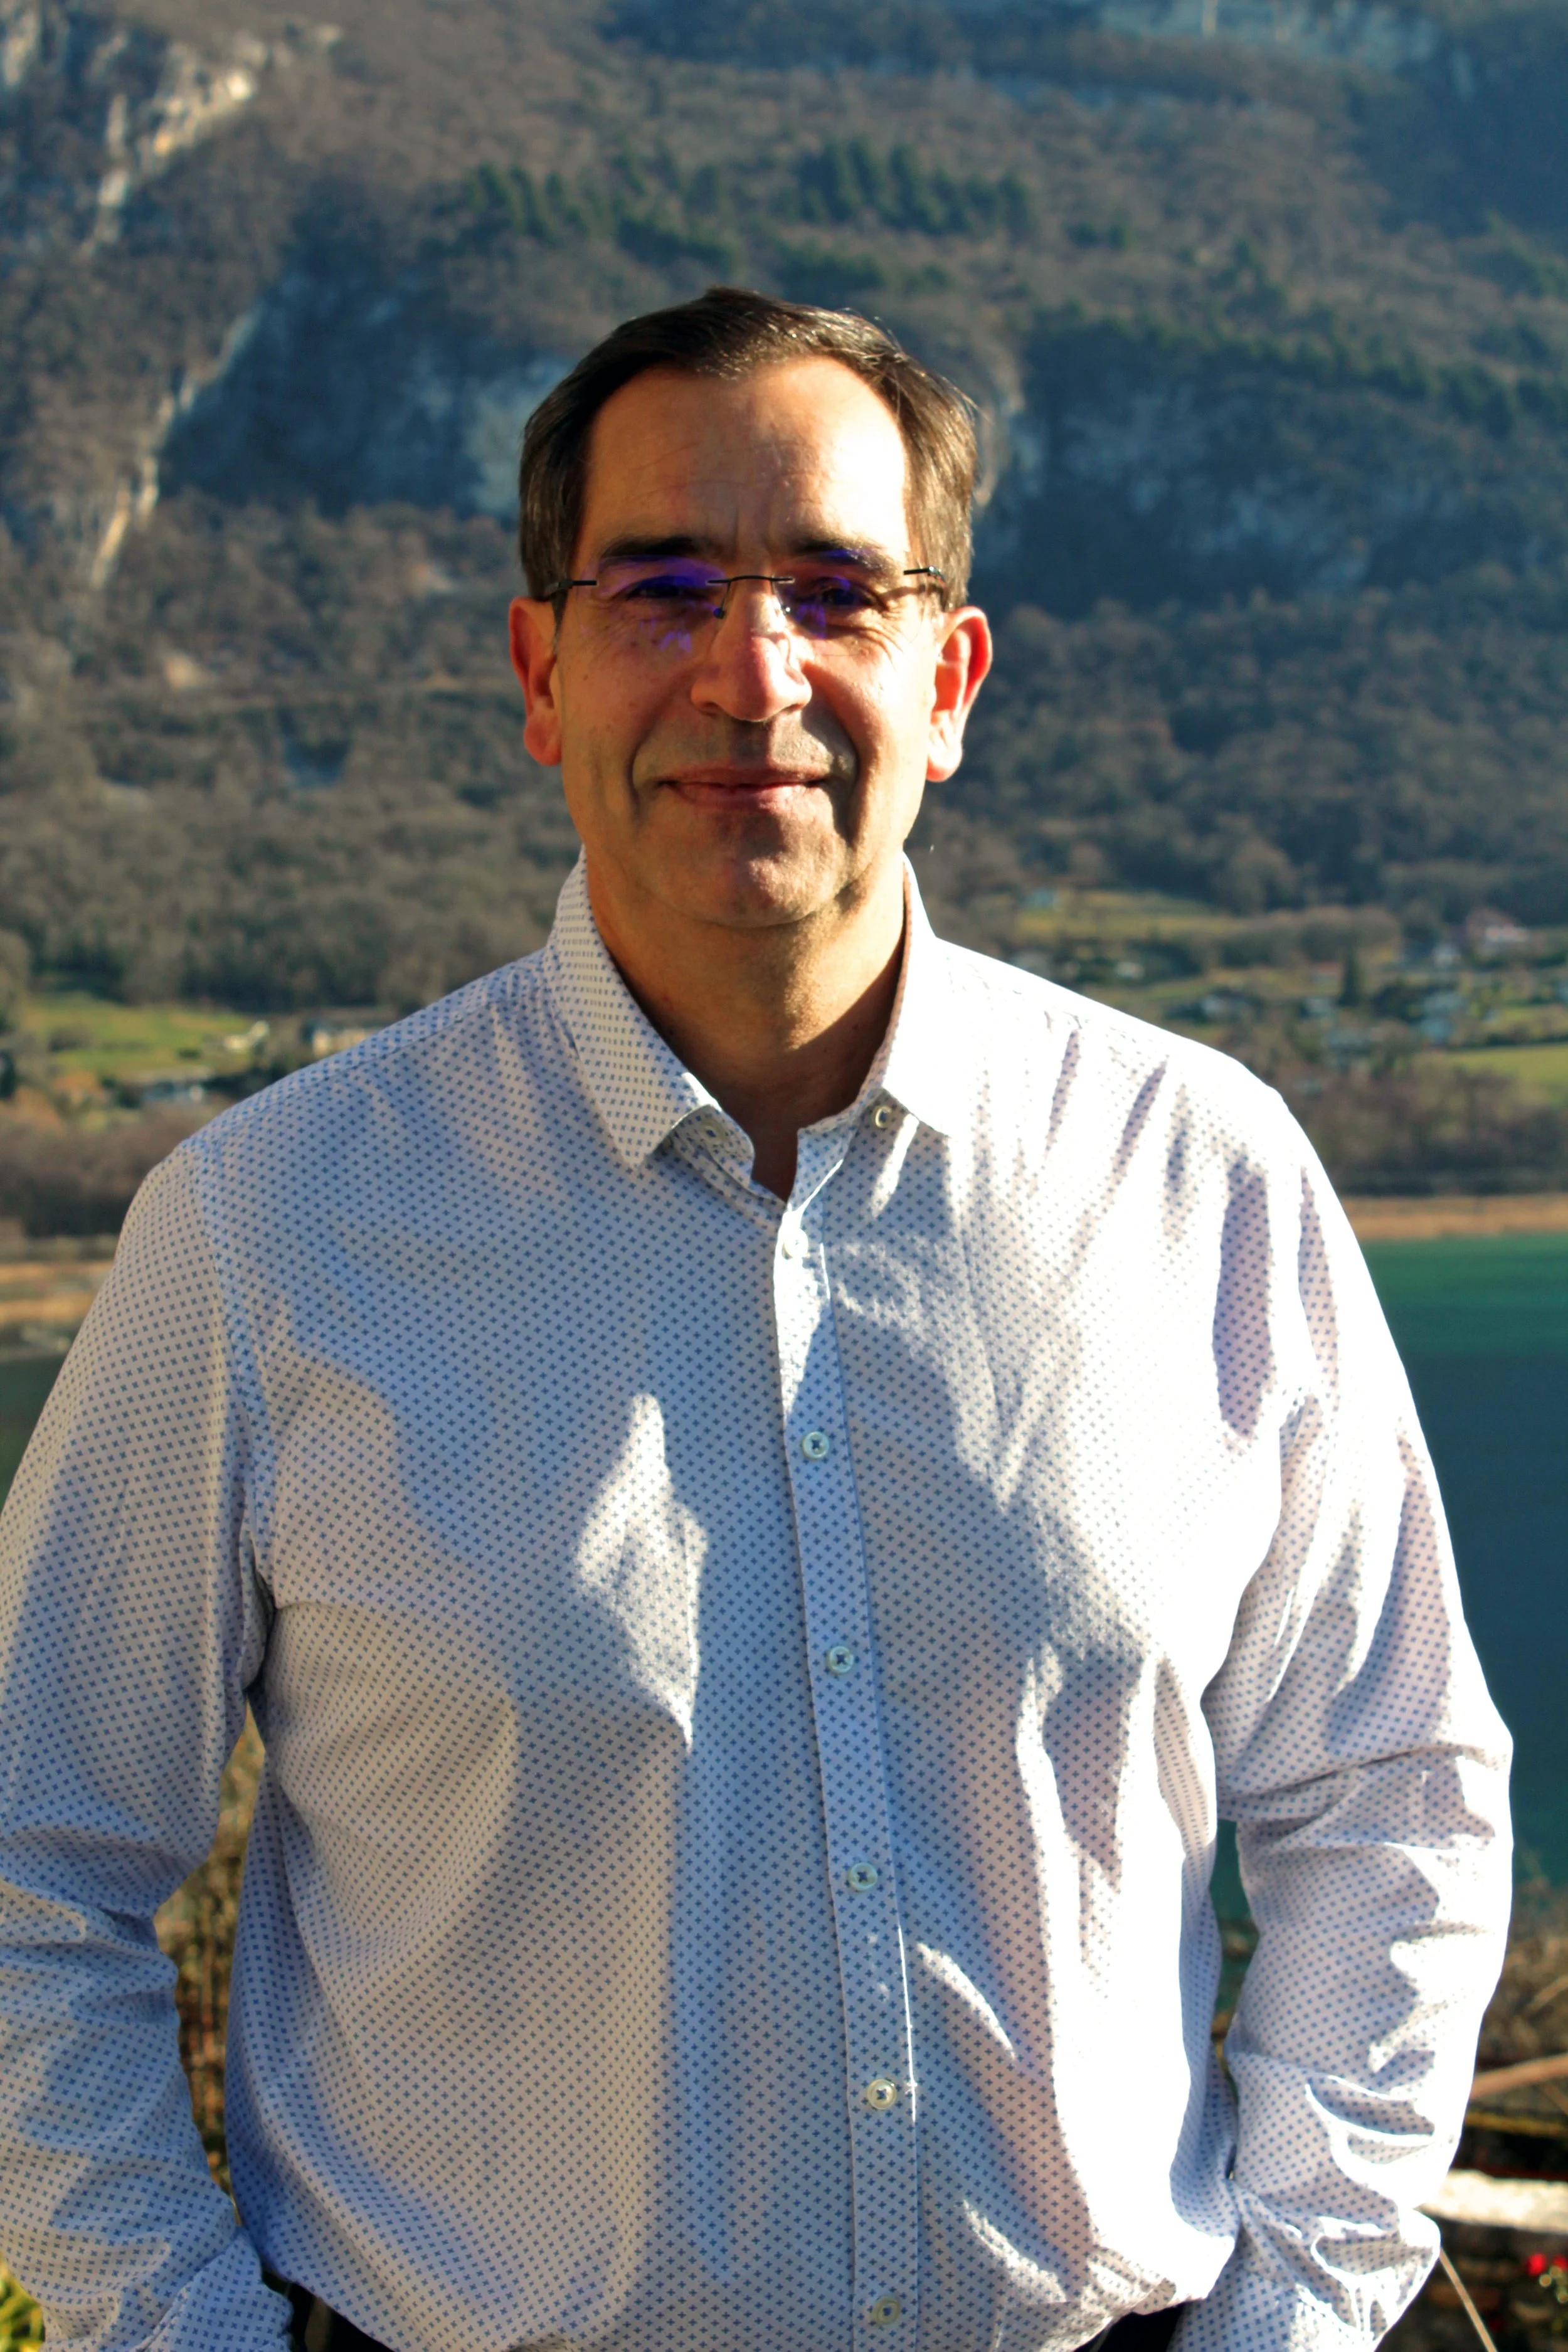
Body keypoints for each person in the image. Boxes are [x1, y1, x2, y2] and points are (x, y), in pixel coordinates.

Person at [0, 286, 1510, 2352]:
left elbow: (1392, 1791)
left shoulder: (1203, 1178)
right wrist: (171, 2327)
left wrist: (1299, 2312)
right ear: (539, 668)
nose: (753, 669)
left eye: (832, 587)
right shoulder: (271, 1238)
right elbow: (27, 1867)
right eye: (665, 587)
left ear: (950, 673)